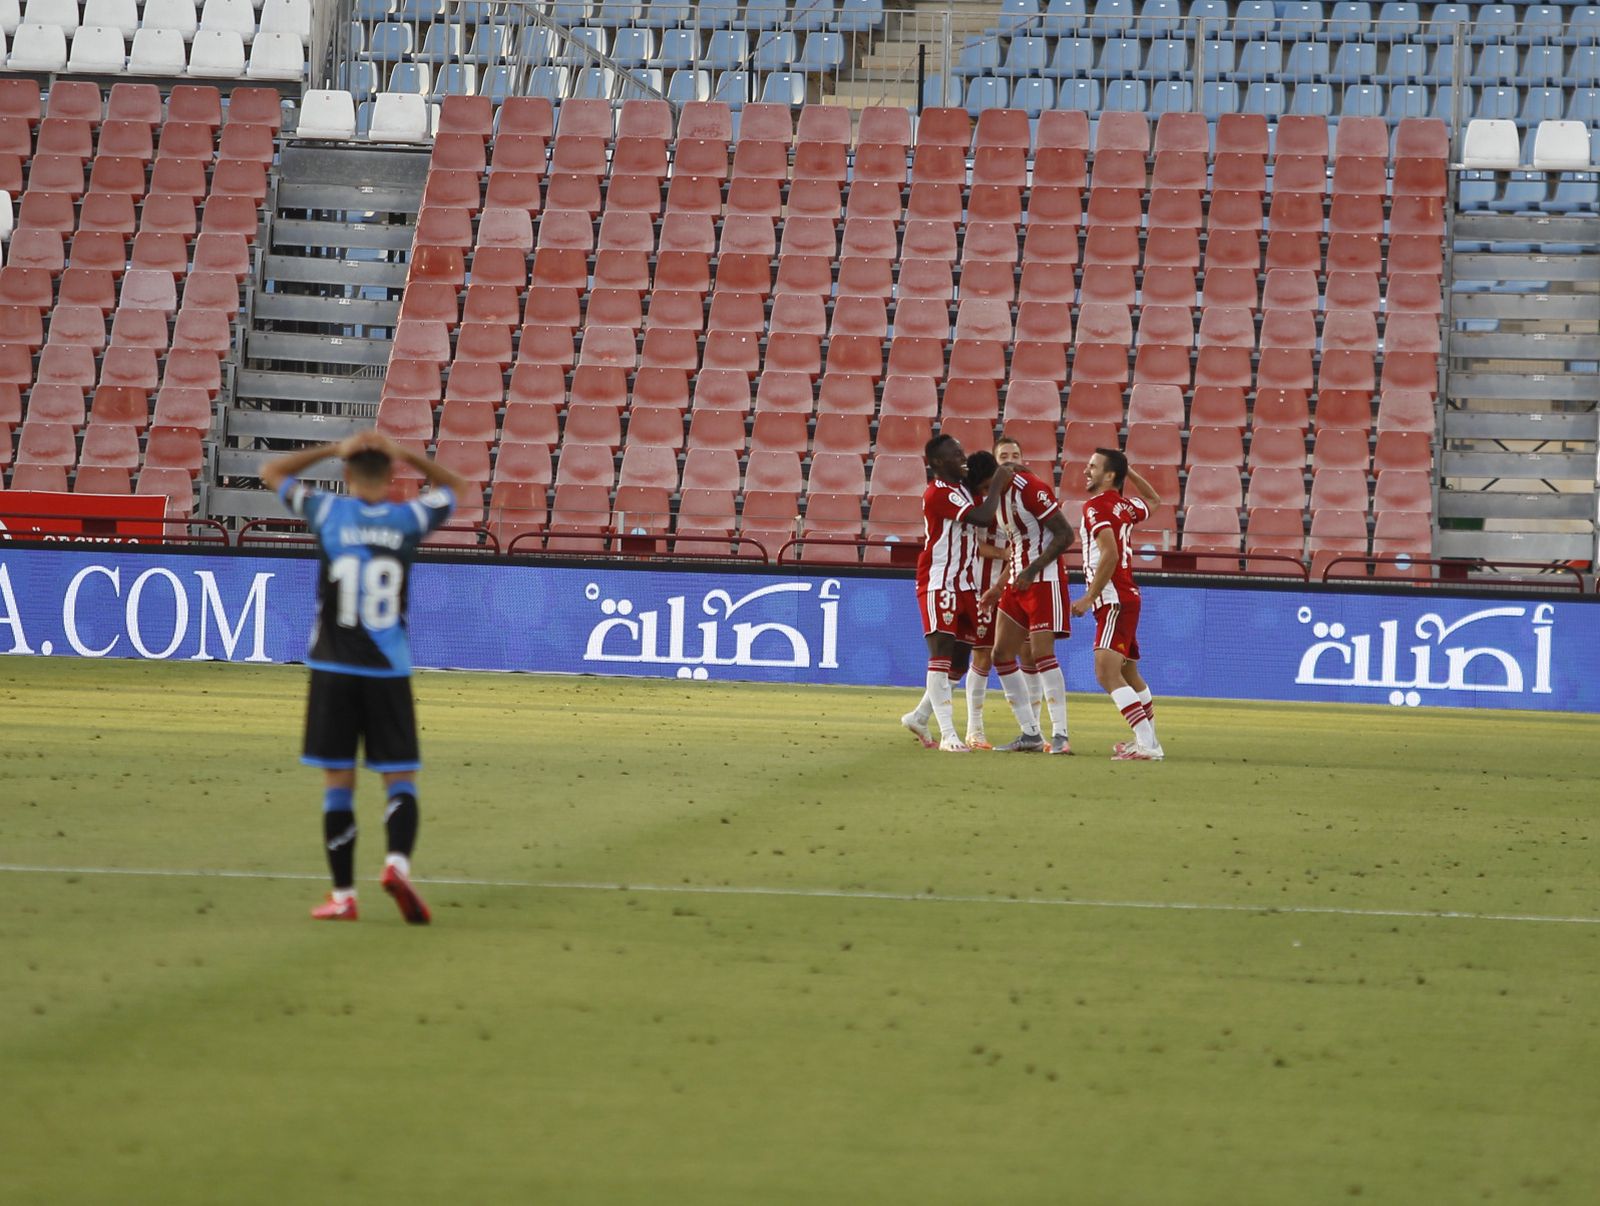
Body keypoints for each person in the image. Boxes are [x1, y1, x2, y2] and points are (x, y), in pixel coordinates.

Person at [261, 430, 469, 921]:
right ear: (394, 477)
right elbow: (458, 485)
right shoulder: (408, 518)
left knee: (339, 781)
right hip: (387, 671)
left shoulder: (329, 512)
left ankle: (343, 896)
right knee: (400, 779)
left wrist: (334, 450)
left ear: (349, 475)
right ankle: (397, 863)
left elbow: (272, 473)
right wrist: (407, 454)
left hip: (333, 667)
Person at [900, 434, 1016, 752]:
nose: (961, 456)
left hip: (966, 584)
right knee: (940, 657)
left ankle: (919, 716)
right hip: (940, 582)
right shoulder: (937, 493)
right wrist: (997, 484)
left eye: (962, 451)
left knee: (960, 661)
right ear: (938, 462)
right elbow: (980, 516)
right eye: (955, 453)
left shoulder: (962, 489)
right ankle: (950, 734)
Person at [1069, 447, 1164, 761]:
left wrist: (1089, 597)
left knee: (1106, 673)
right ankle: (1150, 742)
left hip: (1113, 599)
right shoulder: (1123, 505)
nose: (1086, 470)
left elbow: (1108, 554)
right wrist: (1129, 472)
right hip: (1125, 597)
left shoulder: (1096, 507)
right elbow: (1154, 502)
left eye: (1093, 466)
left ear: (1109, 475)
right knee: (1129, 673)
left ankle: (1147, 744)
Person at [988, 435, 1074, 755]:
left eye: (1015, 454)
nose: (1010, 459)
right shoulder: (998, 496)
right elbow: (1016, 542)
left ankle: (1061, 734)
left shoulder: (1032, 487)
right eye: (1003, 456)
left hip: (1044, 579)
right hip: (1017, 581)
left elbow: (1066, 534)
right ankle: (1030, 733)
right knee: (1001, 654)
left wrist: (1033, 569)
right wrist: (999, 586)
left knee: (1041, 654)